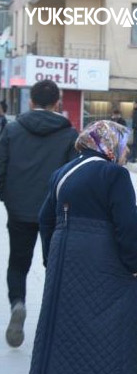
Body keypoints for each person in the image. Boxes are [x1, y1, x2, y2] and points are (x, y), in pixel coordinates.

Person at [27, 120, 137, 374]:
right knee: (115, 325)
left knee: (74, 329)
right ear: (111, 144)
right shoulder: (113, 173)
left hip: (66, 256)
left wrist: (52, 260)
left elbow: (45, 219)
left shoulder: (62, 173)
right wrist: (134, 263)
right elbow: (125, 224)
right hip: (103, 257)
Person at [0, 79, 78, 348]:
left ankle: (18, 304)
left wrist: (7, 198)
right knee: (54, 265)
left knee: (18, 264)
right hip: (54, 212)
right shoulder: (69, 134)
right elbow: (72, 176)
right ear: (58, 103)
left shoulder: (12, 130)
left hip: (19, 210)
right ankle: (53, 318)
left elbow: (1, 167)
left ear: (30, 102)